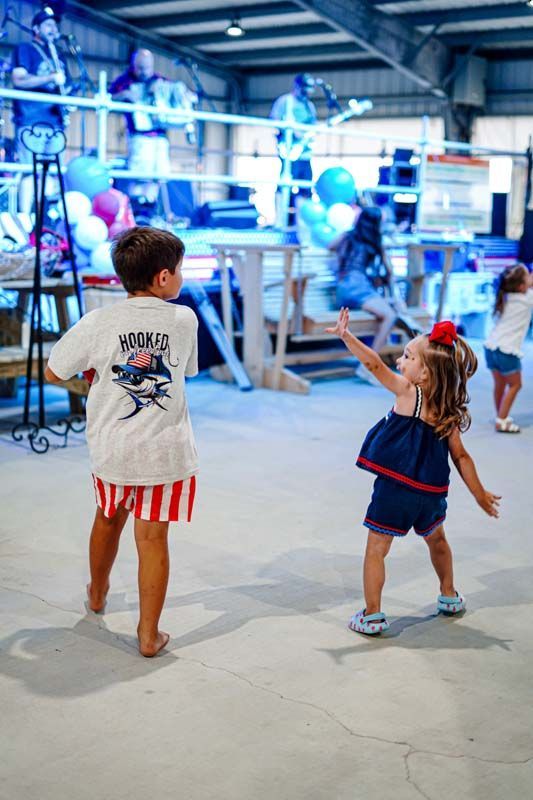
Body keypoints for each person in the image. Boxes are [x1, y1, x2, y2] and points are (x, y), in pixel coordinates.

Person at [45, 227, 199, 657]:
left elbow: (54, 372)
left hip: (112, 449)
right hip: (165, 454)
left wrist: (96, 372)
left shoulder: (98, 322)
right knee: (153, 541)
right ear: (164, 277)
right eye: (181, 270)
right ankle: (149, 636)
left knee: (107, 520)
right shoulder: (183, 318)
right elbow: (186, 370)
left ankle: (96, 595)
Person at [326, 311, 500, 635]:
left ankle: (372, 615)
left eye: (408, 356)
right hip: (431, 495)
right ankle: (448, 595)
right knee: (437, 540)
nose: (400, 360)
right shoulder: (447, 410)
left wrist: (346, 337)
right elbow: (461, 456)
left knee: (377, 548)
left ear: (424, 374)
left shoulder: (409, 393)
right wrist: (479, 494)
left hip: (396, 489)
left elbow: (375, 365)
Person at [11, 6, 69, 213]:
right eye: (48, 24)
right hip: (31, 120)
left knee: (53, 172)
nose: (53, 28)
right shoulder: (25, 49)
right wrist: (49, 78)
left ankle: (46, 218)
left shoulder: (59, 56)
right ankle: (26, 219)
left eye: (55, 25)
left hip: (56, 122)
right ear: (36, 28)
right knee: (29, 171)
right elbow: (18, 79)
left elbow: (66, 86)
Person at [330, 206, 397, 354]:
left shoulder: (348, 236)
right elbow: (390, 272)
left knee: (388, 310)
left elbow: (330, 246)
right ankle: (370, 363)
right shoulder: (376, 243)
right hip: (359, 287)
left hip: (343, 289)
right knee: (390, 316)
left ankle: (370, 360)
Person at [109, 50, 172, 208]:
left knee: (159, 175)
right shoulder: (124, 81)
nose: (144, 72)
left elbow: (176, 95)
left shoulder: (160, 80)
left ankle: (150, 208)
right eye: (141, 68)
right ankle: (137, 209)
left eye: (148, 68)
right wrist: (124, 95)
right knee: (139, 175)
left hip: (160, 135)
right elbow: (107, 97)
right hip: (139, 135)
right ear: (134, 66)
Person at [484, 264, 533, 433]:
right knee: (515, 385)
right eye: (528, 276)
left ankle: (500, 414)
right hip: (507, 350)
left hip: (491, 348)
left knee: (500, 383)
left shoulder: (506, 297)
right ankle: (502, 420)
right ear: (521, 286)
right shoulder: (527, 299)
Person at [270, 73, 317, 217]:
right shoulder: (285, 101)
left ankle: (303, 222)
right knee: (285, 185)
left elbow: (313, 127)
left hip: (305, 153)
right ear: (297, 87)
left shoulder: (309, 106)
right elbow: (274, 120)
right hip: (289, 150)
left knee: (306, 187)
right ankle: (280, 220)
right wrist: (291, 130)